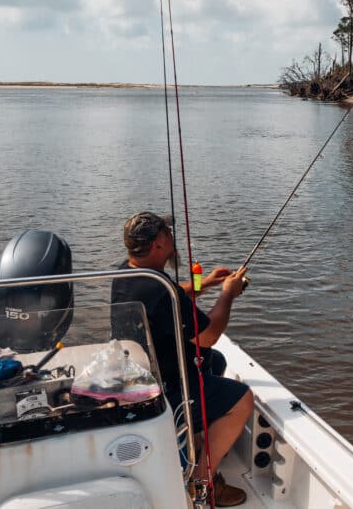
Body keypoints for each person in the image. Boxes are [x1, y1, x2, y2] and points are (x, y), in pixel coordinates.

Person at [112, 211, 252, 507]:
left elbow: (174, 294)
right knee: (242, 399)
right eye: (168, 234)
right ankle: (202, 484)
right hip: (170, 388)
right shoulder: (158, 290)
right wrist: (228, 294)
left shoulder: (130, 274)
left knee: (215, 362)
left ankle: (197, 442)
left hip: (144, 376)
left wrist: (208, 283)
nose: (173, 240)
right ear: (159, 244)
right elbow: (209, 334)